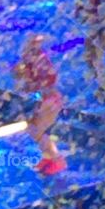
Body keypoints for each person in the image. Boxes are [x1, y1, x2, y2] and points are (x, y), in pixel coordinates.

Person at [13, 34, 66, 174]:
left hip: (51, 101)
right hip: (49, 100)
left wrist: (25, 82)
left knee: (36, 131)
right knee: (36, 130)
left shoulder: (38, 63)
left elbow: (38, 84)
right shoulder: (35, 61)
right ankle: (50, 158)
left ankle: (56, 160)